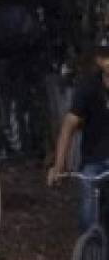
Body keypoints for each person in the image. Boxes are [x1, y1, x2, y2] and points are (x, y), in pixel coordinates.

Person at [47, 33, 109, 232]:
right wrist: (59, 166)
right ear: (99, 60)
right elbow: (68, 126)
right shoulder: (88, 87)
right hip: (94, 162)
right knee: (87, 218)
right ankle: (89, 255)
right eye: (105, 56)